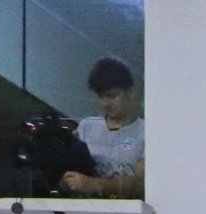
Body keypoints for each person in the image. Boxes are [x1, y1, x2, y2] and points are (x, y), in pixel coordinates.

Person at [62, 58, 145, 198]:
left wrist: (93, 184)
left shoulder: (145, 132)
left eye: (112, 96)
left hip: (129, 211)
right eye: (101, 97)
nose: (106, 104)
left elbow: (140, 185)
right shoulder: (86, 127)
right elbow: (66, 181)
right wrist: (66, 178)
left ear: (131, 93)